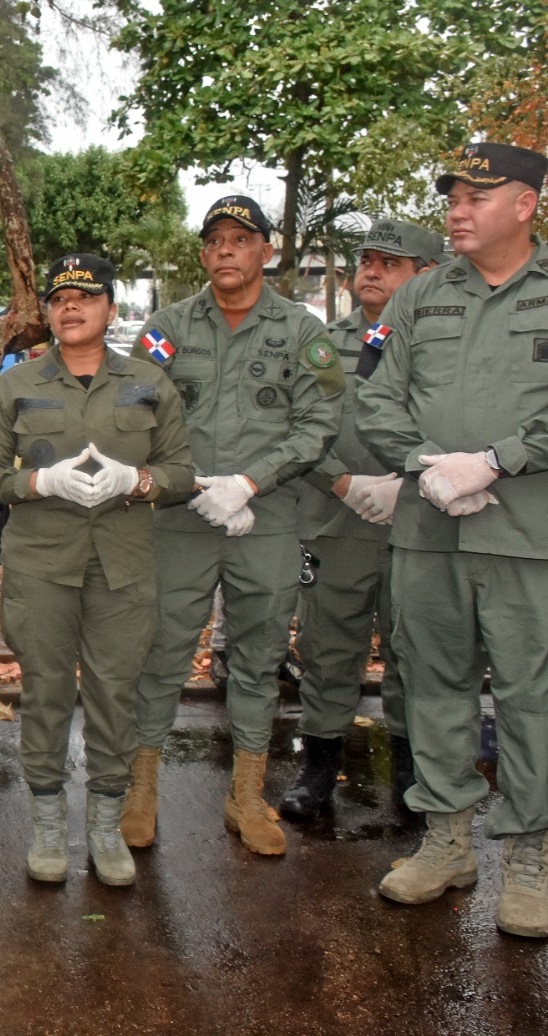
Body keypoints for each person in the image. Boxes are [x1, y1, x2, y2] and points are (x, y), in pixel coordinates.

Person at [358, 142, 548, 937]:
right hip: (429, 529)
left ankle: (533, 857)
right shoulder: (420, 297)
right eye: (453, 198)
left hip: (527, 536)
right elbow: (376, 401)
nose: (457, 212)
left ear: (526, 205)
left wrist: (497, 461)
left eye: (477, 197)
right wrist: (425, 465)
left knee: (532, 696)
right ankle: (446, 841)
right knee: (433, 687)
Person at [127, 196, 345, 856]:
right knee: (161, 652)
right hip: (181, 519)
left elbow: (319, 423)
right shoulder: (165, 328)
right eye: (215, 239)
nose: (225, 249)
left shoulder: (303, 331)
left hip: (267, 519)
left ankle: (245, 796)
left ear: (266, 251)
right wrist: (193, 484)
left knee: (258, 658)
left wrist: (249, 483)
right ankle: (141, 790)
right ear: (203, 253)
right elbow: (134, 415)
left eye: (241, 239)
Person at [0, 254, 194, 886]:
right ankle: (47, 824)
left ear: (111, 310)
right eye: (59, 298)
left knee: (115, 693)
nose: (70, 306)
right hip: (42, 563)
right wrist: (40, 482)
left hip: (124, 565)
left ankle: (105, 825)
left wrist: (137, 480)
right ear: (47, 314)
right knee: (45, 691)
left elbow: (182, 473)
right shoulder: (16, 385)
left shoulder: (150, 382)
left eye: (86, 296)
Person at [280, 219, 444, 820]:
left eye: (389, 263)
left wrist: (410, 482)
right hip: (336, 522)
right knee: (327, 649)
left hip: (422, 524)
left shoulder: (446, 346)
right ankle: (318, 769)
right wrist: (341, 482)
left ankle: (409, 774)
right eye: (366, 260)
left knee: (416, 651)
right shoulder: (324, 347)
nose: (371, 272)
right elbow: (296, 425)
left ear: (428, 274)